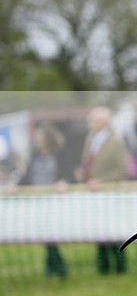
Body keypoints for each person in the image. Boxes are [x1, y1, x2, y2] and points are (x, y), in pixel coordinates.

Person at [77, 106, 130, 274]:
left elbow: (122, 170)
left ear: (104, 122)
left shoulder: (116, 141)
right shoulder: (90, 140)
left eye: (93, 120)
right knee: (98, 231)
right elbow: (86, 164)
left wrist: (102, 181)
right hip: (93, 194)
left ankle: (120, 267)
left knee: (114, 232)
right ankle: (103, 267)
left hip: (110, 195)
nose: (90, 124)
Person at [18, 124, 70, 277]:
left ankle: (57, 267)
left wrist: (63, 181)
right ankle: (54, 266)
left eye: (39, 137)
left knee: (52, 235)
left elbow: (67, 174)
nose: (36, 140)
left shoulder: (59, 154)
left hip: (54, 200)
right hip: (37, 200)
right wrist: (15, 186)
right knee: (46, 236)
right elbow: (27, 176)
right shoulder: (35, 155)